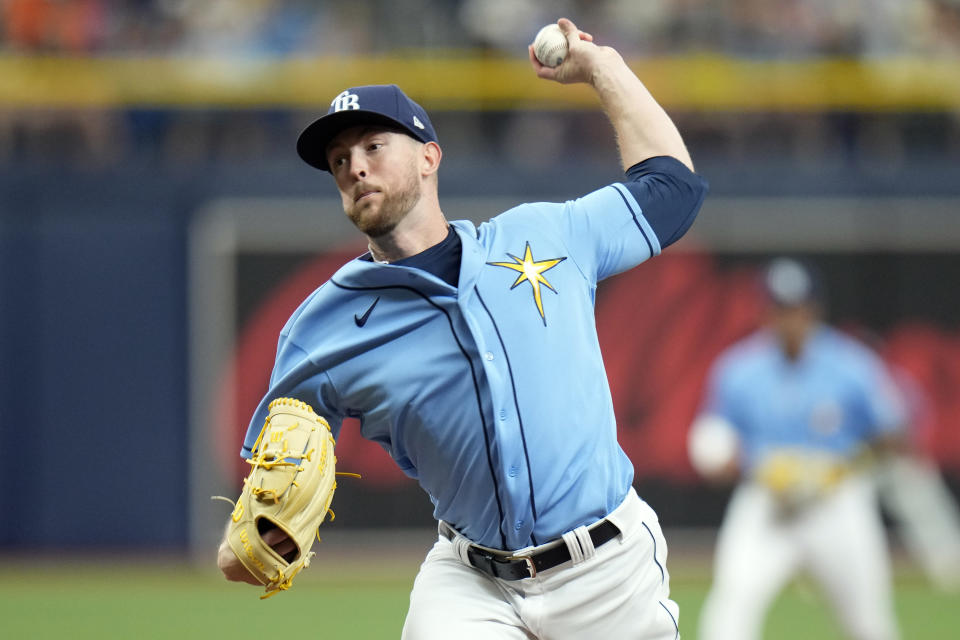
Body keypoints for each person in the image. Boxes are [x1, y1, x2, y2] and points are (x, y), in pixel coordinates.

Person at [218, 18, 708, 639]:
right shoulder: (322, 327)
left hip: (608, 570)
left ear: (429, 157)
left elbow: (673, 189)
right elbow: (264, 486)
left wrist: (603, 67)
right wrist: (248, 546)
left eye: (373, 146)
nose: (354, 168)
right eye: (339, 160)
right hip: (471, 582)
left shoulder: (544, 235)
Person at [689, 257, 906, 640]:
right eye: (779, 308)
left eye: (796, 307)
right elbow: (716, 441)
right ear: (765, 312)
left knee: (869, 625)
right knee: (727, 618)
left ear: (814, 308)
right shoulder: (738, 368)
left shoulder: (852, 364)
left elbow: (894, 433)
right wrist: (733, 462)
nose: (789, 318)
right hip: (768, 502)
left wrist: (847, 463)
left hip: (836, 503)